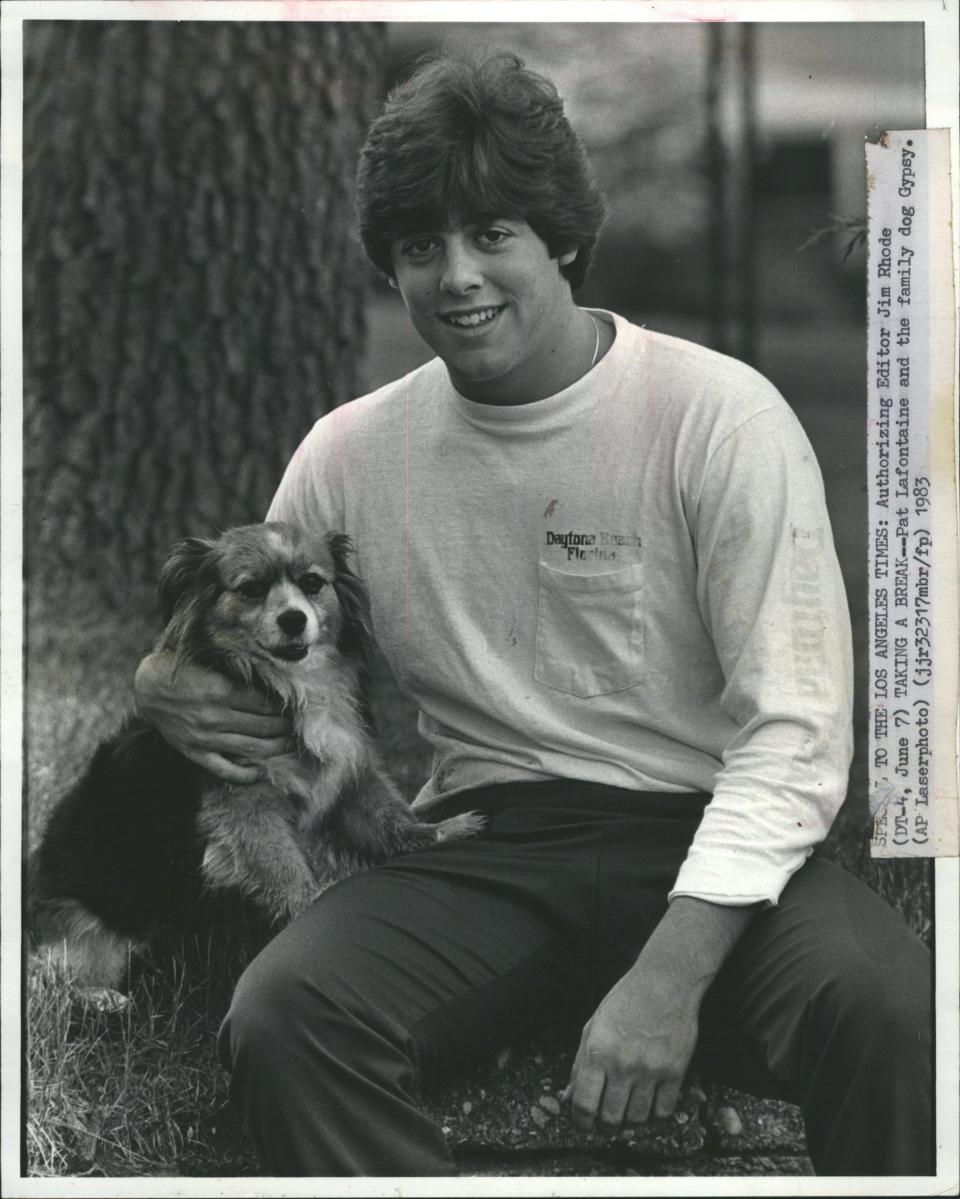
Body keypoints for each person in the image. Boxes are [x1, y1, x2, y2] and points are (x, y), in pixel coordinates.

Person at [135, 52, 933, 1177]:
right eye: (420, 247)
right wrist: (157, 679)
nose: (456, 276)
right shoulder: (351, 452)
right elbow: (252, 641)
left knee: (894, 1012)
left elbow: (798, 735)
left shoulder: (716, 416)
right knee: (289, 1012)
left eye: (492, 234)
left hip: (710, 836)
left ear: (560, 235)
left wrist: (669, 974)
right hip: (485, 846)